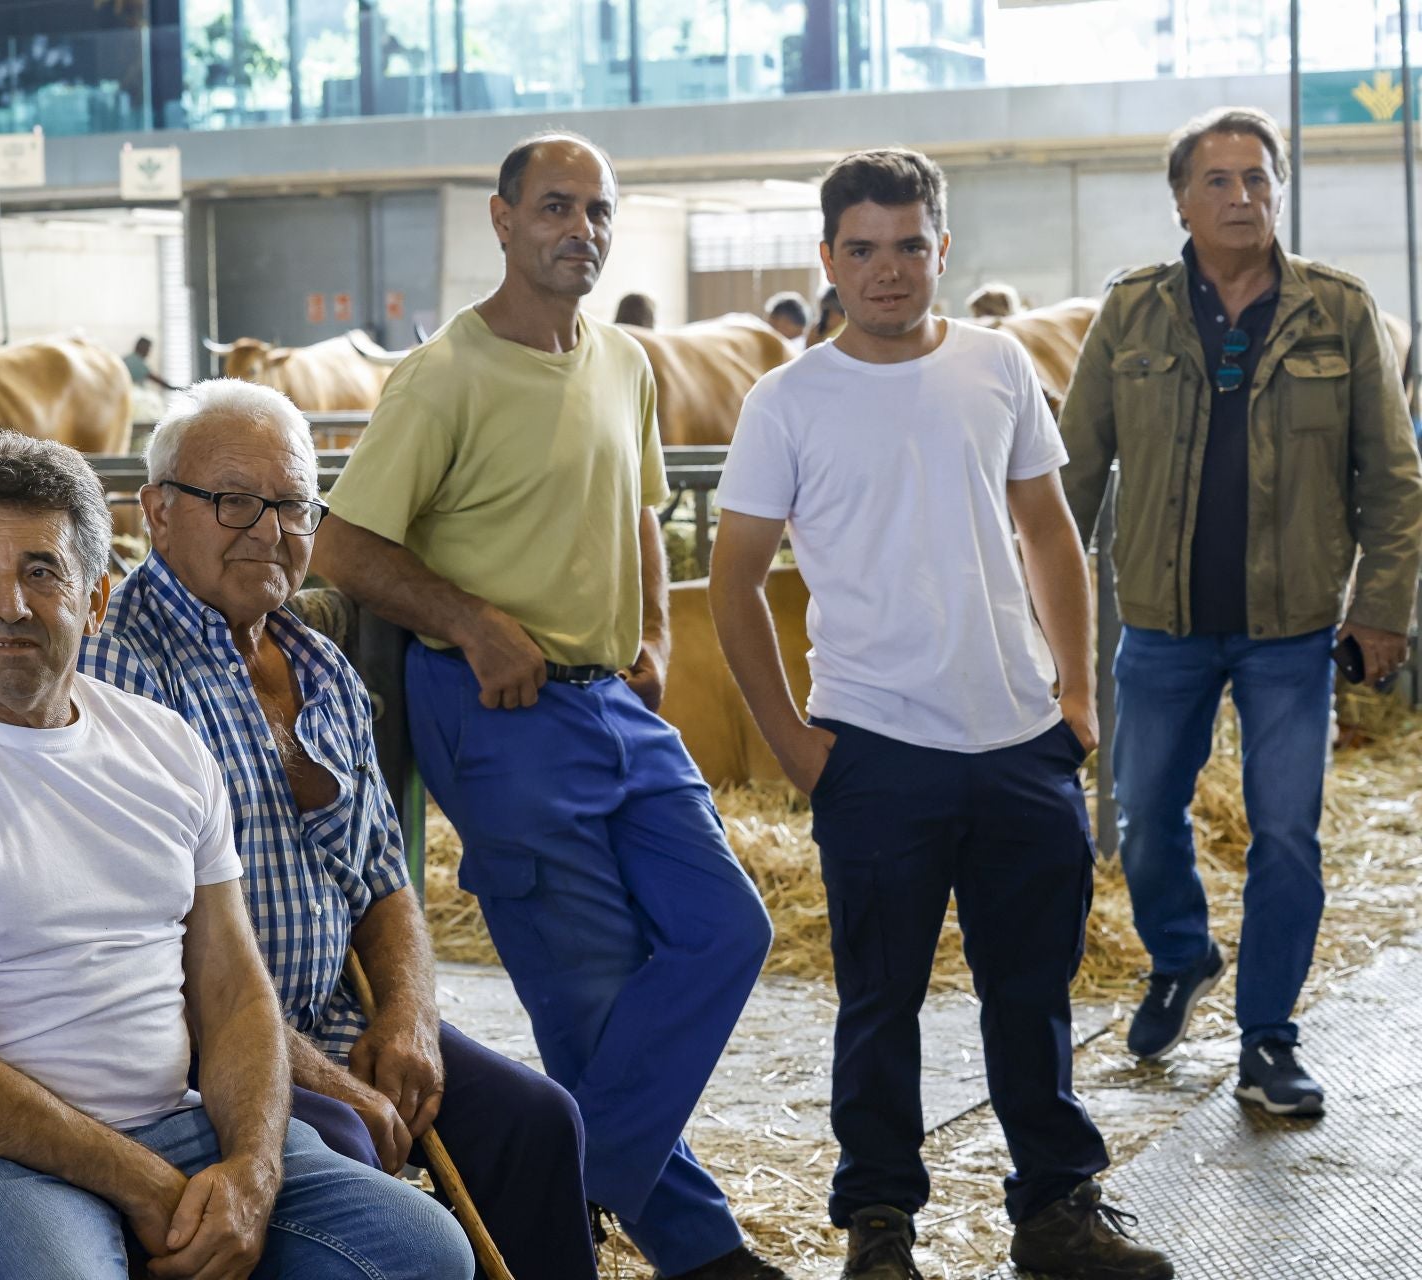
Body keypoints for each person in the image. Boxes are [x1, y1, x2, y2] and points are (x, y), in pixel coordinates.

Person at [0, 432, 474, 1280]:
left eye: (43, 571)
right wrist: (149, 1189)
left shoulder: (165, 748)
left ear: (95, 601)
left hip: (171, 1124)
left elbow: (236, 1001)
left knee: (424, 1253)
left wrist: (252, 1174)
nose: (8, 602)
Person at [312, 131, 785, 1280]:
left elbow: (639, 508)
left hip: (614, 704)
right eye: (557, 208)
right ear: (504, 219)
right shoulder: (443, 376)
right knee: (586, 994)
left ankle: (567, 1185)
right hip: (494, 706)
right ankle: (698, 1245)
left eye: (599, 211)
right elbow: (342, 541)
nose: (581, 229)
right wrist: (471, 620)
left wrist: (656, 634)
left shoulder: (623, 361)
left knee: (730, 926)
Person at [709, 148, 1173, 1280]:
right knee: (880, 1000)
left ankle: (1056, 1209)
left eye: (909, 245)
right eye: (861, 248)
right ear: (827, 258)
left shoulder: (998, 365)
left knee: (1034, 991)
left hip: (1020, 741)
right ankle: (879, 1223)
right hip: (873, 748)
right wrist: (797, 747)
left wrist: (1075, 694)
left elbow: (1052, 532)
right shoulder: (786, 401)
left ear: (942, 249)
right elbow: (732, 582)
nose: (887, 269)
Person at [79, 378, 600, 1279]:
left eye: (292, 505)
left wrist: (407, 1019)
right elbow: (146, 954)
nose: (270, 530)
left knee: (536, 1123)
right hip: (198, 1054)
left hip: (338, 1015)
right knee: (360, 1170)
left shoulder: (318, 660)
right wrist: (329, 1082)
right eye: (235, 500)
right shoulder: (121, 669)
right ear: (157, 513)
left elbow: (385, 878)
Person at [1059, 107, 1422, 1113]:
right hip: (1162, 627)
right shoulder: (1130, 312)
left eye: (1258, 179)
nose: (1241, 197)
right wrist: (1041, 620)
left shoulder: (1338, 311)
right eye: (1217, 180)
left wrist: (1381, 608)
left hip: (1291, 631)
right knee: (1143, 820)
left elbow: (1394, 479)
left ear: (1280, 192)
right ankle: (1180, 954)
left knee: (1287, 831)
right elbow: (1073, 475)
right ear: (1181, 198)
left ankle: (1268, 1037)